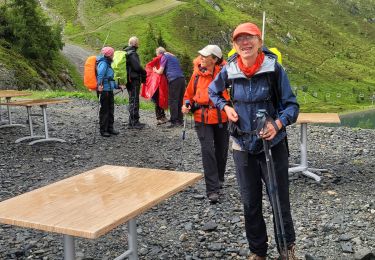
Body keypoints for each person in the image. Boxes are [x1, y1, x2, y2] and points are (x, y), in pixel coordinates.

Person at [209, 22, 300, 259]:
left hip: (273, 145)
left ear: (259, 42)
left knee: (279, 201)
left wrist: (277, 124)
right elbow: (213, 91)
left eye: (249, 38)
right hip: (242, 146)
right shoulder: (228, 70)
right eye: (239, 39)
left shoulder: (275, 69)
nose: (245, 43)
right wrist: (225, 107)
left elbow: (291, 106)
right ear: (234, 45)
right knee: (250, 203)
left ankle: (287, 250)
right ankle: (257, 252)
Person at [181, 45, 229, 203]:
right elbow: (189, 94)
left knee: (221, 151)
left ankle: (219, 178)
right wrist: (187, 103)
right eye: (201, 54)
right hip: (201, 118)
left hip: (222, 117)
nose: (201, 57)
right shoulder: (196, 74)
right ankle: (212, 189)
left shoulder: (226, 75)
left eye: (205, 55)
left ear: (215, 59)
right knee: (208, 151)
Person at [153, 48, 185, 127]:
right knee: (179, 100)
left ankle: (174, 121)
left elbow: (160, 71)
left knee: (173, 100)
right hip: (182, 79)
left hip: (173, 80)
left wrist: (155, 70)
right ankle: (180, 120)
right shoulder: (173, 57)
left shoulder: (164, 57)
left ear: (159, 54)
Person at [97, 46, 124, 137]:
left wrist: (117, 86)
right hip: (104, 91)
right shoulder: (103, 64)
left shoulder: (107, 63)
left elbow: (110, 79)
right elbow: (100, 75)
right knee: (105, 110)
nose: (113, 55)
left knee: (111, 110)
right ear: (109, 55)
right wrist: (99, 86)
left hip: (109, 90)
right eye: (112, 54)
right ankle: (103, 130)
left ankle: (110, 128)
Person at [141, 47, 169, 125]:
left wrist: (154, 71)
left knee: (158, 100)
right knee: (160, 99)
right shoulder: (163, 58)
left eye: (156, 53)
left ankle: (160, 117)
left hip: (157, 83)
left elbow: (150, 67)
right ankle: (161, 117)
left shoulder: (159, 58)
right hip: (159, 82)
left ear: (158, 53)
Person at [124, 36, 147, 129]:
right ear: (135, 44)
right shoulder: (132, 53)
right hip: (134, 79)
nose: (138, 45)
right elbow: (137, 67)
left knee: (132, 99)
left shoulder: (126, 52)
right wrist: (144, 72)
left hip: (128, 79)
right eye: (137, 43)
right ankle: (134, 122)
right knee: (134, 100)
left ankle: (132, 121)